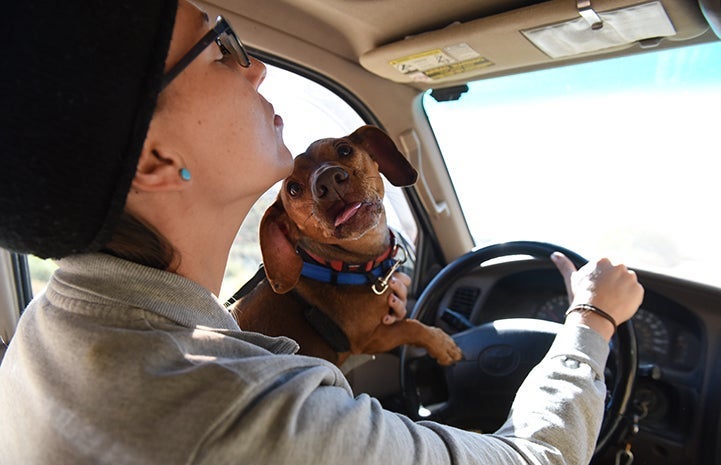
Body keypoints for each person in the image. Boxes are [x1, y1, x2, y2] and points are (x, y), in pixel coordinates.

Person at [0, 1, 644, 464]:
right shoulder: (250, 411)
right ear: (154, 162)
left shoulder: (46, 330)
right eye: (218, 46)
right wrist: (591, 320)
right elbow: (540, 458)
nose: (252, 70)